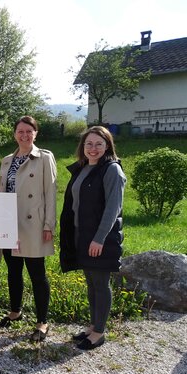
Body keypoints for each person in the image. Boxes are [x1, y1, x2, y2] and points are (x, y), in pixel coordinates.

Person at [60, 126, 126, 350]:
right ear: (83, 147)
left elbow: (112, 209)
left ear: (107, 146)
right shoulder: (84, 168)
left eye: (99, 144)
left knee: (100, 282)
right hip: (83, 235)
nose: (93, 148)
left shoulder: (112, 170)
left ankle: (99, 332)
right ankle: (93, 325)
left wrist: (99, 239)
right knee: (90, 282)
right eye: (89, 144)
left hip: (101, 238)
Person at [0, 116, 57, 342]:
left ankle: (42, 321)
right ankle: (15, 311)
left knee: (37, 273)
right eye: (20, 131)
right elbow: (0, 192)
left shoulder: (44, 158)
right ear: (14, 134)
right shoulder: (6, 160)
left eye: (29, 131)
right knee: (13, 270)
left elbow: (51, 193)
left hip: (33, 223)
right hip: (9, 222)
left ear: (35, 134)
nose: (24, 135)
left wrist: (49, 224)